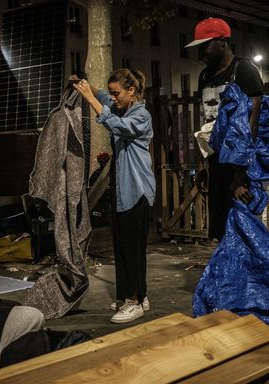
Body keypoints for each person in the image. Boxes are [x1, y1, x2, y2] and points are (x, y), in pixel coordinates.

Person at [72, 69, 156, 324]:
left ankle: (135, 301)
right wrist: (86, 85)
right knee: (123, 247)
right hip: (123, 191)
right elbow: (104, 98)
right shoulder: (120, 105)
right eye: (111, 93)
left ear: (131, 91)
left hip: (137, 189)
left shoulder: (141, 115)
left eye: (116, 93)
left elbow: (114, 123)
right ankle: (137, 296)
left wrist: (90, 99)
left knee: (132, 249)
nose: (113, 97)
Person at [186, 17, 264, 240]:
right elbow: (207, 122)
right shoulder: (205, 75)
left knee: (243, 228)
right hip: (216, 160)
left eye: (205, 45)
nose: (202, 52)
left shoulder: (244, 70)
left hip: (239, 161)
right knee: (221, 229)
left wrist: (240, 174)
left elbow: (253, 121)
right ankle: (227, 273)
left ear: (222, 41)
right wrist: (204, 162)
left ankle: (246, 275)